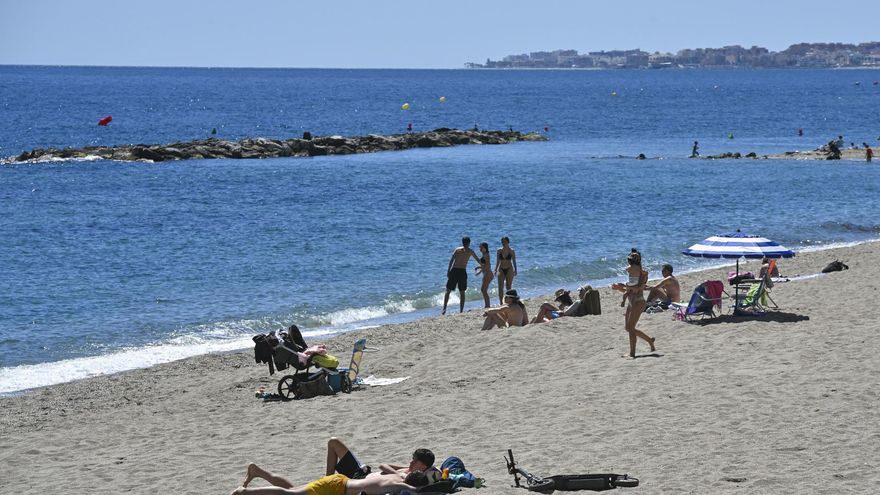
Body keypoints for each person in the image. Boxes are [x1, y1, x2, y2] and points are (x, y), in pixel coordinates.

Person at [231, 464, 428, 495]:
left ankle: (257, 471)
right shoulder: (398, 482)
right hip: (336, 487)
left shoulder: (398, 473)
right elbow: (409, 487)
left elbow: (384, 466)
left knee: (294, 488)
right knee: (291, 493)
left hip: (339, 484)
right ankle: (245, 492)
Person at [611, 250, 656, 358]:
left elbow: (637, 289)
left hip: (639, 302)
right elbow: (630, 290)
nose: (629, 265)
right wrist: (619, 288)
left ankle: (632, 353)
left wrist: (623, 287)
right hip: (631, 302)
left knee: (631, 328)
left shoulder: (642, 274)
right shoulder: (633, 273)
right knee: (628, 328)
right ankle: (650, 340)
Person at [442, 237, 481, 315]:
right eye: (465, 244)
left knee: (462, 291)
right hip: (454, 270)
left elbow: (478, 260)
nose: (466, 245)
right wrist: (448, 271)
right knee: (448, 290)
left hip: (462, 271)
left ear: (469, 243)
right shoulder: (458, 250)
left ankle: (461, 311)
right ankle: (444, 308)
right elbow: (451, 260)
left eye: (466, 244)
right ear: (463, 243)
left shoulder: (470, 251)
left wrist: (483, 265)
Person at [494, 236, 518, 304]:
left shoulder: (512, 251)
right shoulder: (499, 250)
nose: (503, 243)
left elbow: (514, 261)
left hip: (509, 269)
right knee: (500, 287)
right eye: (502, 242)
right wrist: (495, 270)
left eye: (504, 242)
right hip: (501, 269)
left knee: (508, 287)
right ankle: (501, 302)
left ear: (508, 242)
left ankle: (509, 302)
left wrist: (515, 270)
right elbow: (497, 261)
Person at [474, 242, 494, 308]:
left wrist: (479, 272)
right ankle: (487, 305)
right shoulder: (484, 254)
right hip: (486, 273)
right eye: (479, 247)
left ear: (485, 248)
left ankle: (487, 305)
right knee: (484, 290)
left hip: (488, 274)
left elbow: (488, 265)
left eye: (481, 247)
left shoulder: (486, 255)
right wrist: (479, 267)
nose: (480, 248)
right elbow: (485, 265)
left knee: (483, 290)